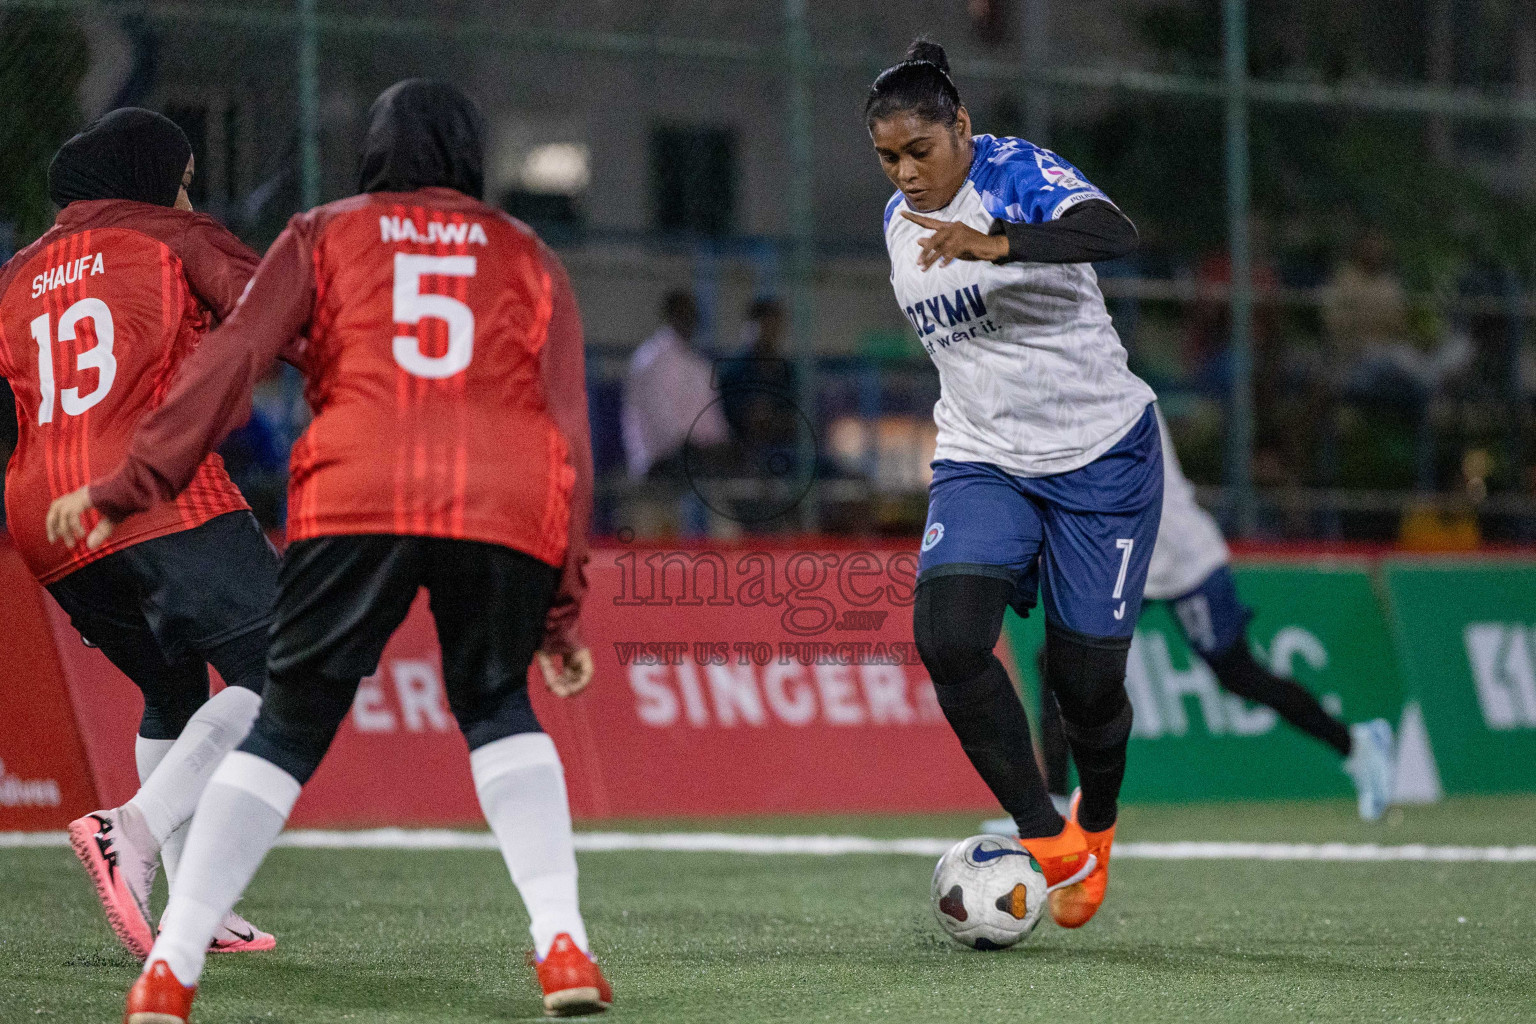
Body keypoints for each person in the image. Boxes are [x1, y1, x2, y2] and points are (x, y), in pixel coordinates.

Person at [47, 81, 610, 1021]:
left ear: (376, 153)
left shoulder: (322, 231)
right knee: (501, 707)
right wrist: (560, 603)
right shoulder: (531, 255)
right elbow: (571, 438)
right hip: (499, 493)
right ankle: (563, 946)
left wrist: (133, 481)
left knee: (285, 726)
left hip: (359, 484)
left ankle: (172, 966)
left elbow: (232, 361)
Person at [868, 39, 1159, 930]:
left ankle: (1096, 824)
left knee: (1086, 689)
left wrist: (1000, 244)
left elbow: (1116, 232)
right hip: (983, 458)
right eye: (888, 157)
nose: (907, 174)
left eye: (920, 151)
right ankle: (1045, 834)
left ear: (960, 127)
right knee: (949, 638)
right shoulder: (897, 222)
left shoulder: (1011, 173)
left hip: (1100, 456)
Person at [0, 108, 277, 959]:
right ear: (150, 175)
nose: (190, 192)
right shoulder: (172, 234)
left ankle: (190, 911)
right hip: (155, 493)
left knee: (172, 694)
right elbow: (283, 309)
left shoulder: (15, 273)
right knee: (293, 659)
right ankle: (135, 828)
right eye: (184, 175)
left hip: (46, 521)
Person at [1027, 407, 1398, 822]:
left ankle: (1357, 744)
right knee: (1055, 660)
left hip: (1186, 561)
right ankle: (1055, 803)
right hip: (1133, 563)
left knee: (1239, 675)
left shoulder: (1120, 400)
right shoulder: (1064, 399)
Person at [620, 289, 728, 479]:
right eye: (683, 312)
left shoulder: (698, 365)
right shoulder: (650, 359)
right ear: (669, 315)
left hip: (696, 455)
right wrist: (699, 446)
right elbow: (664, 428)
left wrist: (720, 444)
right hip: (658, 460)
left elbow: (712, 421)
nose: (689, 319)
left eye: (692, 313)